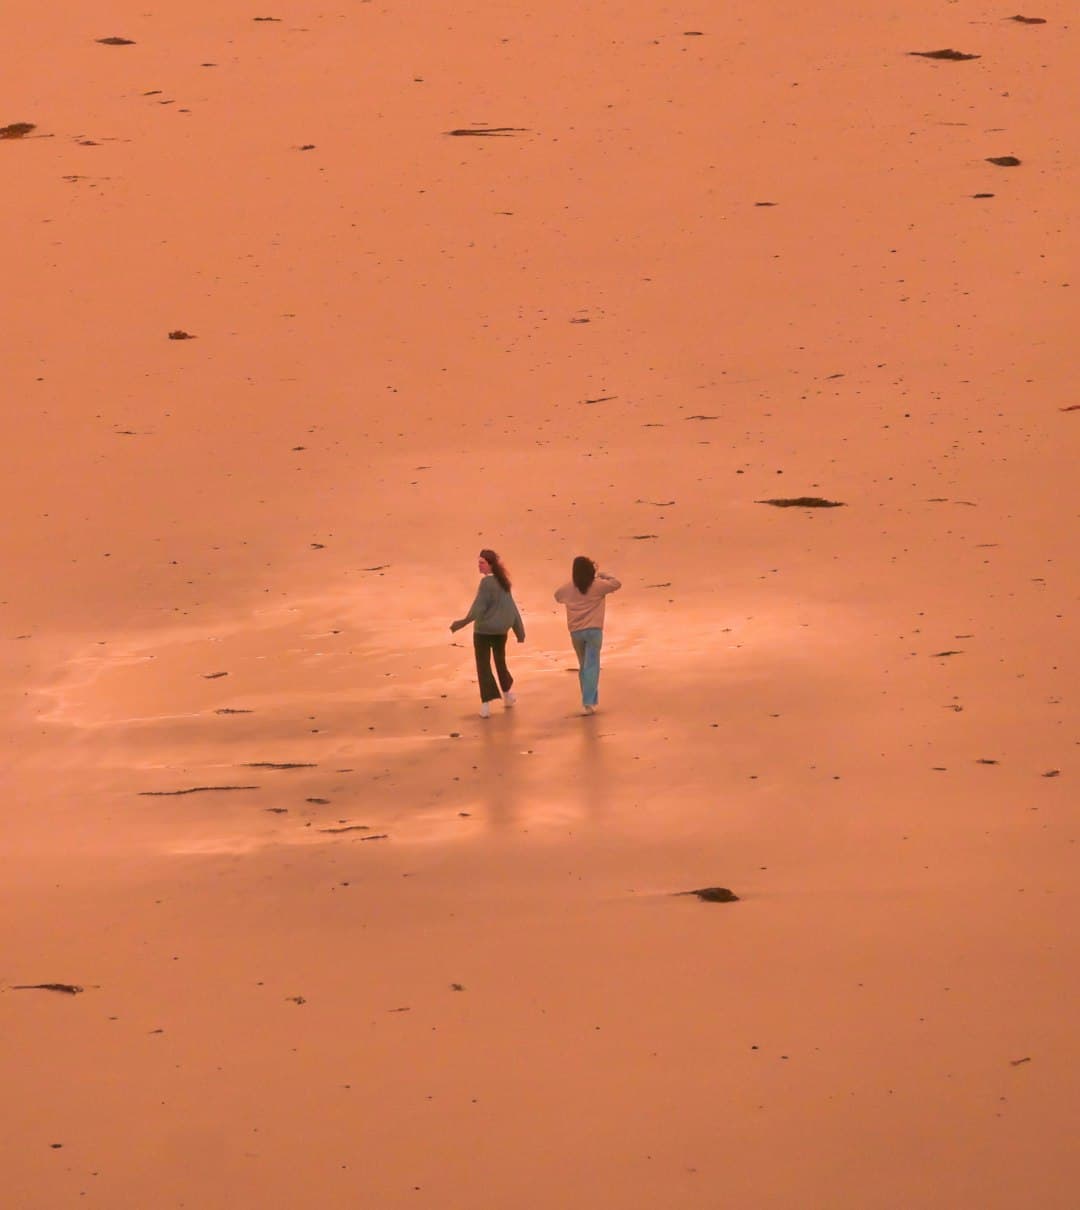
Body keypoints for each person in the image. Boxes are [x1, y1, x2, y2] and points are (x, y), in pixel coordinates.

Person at [450, 549, 525, 718]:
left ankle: (486, 705)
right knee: (500, 663)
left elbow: (478, 608)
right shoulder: (503, 582)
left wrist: (461, 623)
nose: (479, 565)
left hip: (483, 632)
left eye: (482, 562)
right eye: (478, 562)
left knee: (483, 666)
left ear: (490, 565)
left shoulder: (486, 584)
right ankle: (507, 696)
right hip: (500, 632)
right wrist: (519, 631)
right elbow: (512, 608)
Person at [554, 557, 621, 714]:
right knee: (592, 666)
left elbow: (557, 596)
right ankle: (588, 702)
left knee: (583, 666)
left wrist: (570, 586)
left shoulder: (569, 588)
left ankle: (588, 700)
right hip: (594, 630)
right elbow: (617, 583)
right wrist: (604, 575)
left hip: (576, 632)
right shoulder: (597, 585)